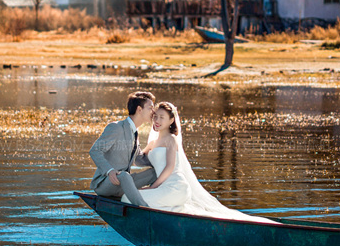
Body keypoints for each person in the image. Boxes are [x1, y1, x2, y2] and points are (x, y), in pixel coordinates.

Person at [123, 102, 277, 224]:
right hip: (164, 188)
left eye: (161, 117)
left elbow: (170, 167)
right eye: (155, 116)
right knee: (127, 196)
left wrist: (153, 187)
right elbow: (137, 160)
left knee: (127, 198)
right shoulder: (152, 144)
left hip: (176, 187)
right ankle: (170, 212)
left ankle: (168, 213)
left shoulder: (171, 139)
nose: (157, 121)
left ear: (171, 120)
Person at [89, 91, 158, 207]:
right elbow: (95, 151)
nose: (153, 112)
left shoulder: (135, 133)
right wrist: (110, 171)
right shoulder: (116, 128)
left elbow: (138, 159)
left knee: (155, 173)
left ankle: (156, 203)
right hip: (106, 183)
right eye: (150, 108)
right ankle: (144, 208)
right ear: (139, 109)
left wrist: (161, 160)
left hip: (124, 183)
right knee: (124, 176)